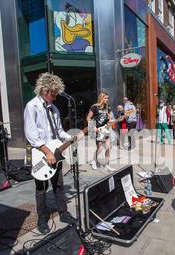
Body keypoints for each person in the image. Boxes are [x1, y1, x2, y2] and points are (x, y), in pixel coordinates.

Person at [24, 73, 79, 235]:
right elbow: (31, 134)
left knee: (59, 184)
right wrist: (47, 152)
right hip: (40, 153)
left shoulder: (54, 109)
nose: (55, 97)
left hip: (55, 151)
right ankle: (42, 218)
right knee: (41, 188)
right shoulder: (32, 106)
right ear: (45, 90)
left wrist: (72, 138)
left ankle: (63, 213)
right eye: (53, 94)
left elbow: (59, 131)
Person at [86, 92, 117, 172]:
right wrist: (93, 127)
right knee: (99, 148)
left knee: (108, 148)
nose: (107, 99)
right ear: (101, 98)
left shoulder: (107, 107)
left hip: (105, 129)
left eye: (108, 98)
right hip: (97, 130)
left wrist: (115, 120)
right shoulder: (94, 107)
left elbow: (109, 119)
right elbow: (88, 118)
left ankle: (106, 165)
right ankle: (94, 161)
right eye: (105, 98)